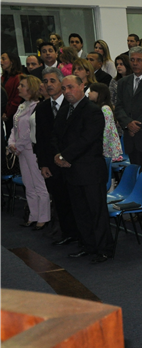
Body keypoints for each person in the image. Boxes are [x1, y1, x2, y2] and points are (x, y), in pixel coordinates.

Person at [53, 75, 114, 263]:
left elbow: (87, 140)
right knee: (80, 212)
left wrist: (65, 157)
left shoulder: (93, 111)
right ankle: (88, 246)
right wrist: (58, 155)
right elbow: (56, 136)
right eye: (64, 88)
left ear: (82, 86)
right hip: (71, 170)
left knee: (96, 213)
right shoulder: (65, 111)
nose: (67, 91)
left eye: (71, 87)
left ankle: (104, 249)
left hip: (89, 171)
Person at [35, 67, 80, 245]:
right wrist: (43, 164)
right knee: (60, 200)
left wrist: (67, 157)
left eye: (52, 81)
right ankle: (67, 233)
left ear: (61, 82)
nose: (49, 85)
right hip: (52, 163)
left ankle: (81, 235)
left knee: (76, 201)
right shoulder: (43, 108)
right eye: (45, 82)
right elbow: (41, 139)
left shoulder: (72, 104)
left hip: (72, 162)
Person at [8, 75, 49, 230]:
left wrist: (17, 145)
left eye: (22, 85)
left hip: (31, 150)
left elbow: (29, 132)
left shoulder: (38, 107)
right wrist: (11, 142)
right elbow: (14, 127)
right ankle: (33, 215)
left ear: (31, 88)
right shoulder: (22, 106)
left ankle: (44, 217)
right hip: (21, 150)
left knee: (39, 184)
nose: (19, 88)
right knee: (28, 183)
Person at [87, 83, 123, 162]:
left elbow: (106, 130)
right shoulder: (96, 108)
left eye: (92, 91)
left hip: (107, 149)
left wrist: (102, 148)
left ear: (100, 93)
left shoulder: (105, 108)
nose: (89, 93)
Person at [0, 52, 23, 133]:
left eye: (3, 59)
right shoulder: (3, 77)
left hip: (14, 115)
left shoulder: (19, 77)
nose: (0, 61)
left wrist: (7, 114)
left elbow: (17, 98)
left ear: (12, 61)